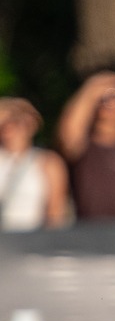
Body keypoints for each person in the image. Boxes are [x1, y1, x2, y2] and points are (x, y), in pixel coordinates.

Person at [56, 72, 115, 221]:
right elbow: (68, 137)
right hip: (91, 234)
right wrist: (90, 90)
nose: (109, 103)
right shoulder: (84, 148)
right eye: (103, 98)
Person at [0, 97, 68, 230]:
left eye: (11, 122)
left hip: (33, 238)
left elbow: (55, 210)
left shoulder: (47, 161)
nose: (7, 129)